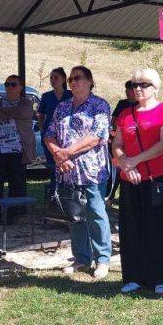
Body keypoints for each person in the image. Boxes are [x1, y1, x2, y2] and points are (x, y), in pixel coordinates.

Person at [112, 68, 163, 297]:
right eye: (134, 85)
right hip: (129, 179)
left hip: (154, 179)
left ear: (155, 88)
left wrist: (134, 161)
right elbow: (116, 144)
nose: (138, 89)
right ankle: (133, 276)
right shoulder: (125, 114)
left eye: (144, 84)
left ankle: (161, 277)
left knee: (157, 228)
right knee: (130, 229)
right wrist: (125, 165)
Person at [46, 66, 114, 279]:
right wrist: (59, 155)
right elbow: (49, 134)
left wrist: (66, 152)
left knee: (95, 213)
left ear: (90, 81)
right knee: (75, 216)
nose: (73, 82)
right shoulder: (62, 107)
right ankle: (82, 259)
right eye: (71, 80)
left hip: (92, 171)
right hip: (67, 172)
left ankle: (102, 259)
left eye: (77, 78)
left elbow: (96, 136)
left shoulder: (99, 105)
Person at [0, 74, 36, 225]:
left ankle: (13, 215)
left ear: (20, 87)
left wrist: (1, 112)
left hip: (17, 150)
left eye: (13, 84)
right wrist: (10, 111)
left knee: (16, 184)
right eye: (7, 84)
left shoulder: (26, 102)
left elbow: (23, 113)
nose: (10, 87)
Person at [37, 67, 70, 196]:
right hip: (50, 138)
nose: (53, 80)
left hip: (67, 137)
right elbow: (40, 115)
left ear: (63, 79)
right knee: (53, 166)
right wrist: (42, 130)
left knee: (66, 165)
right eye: (51, 78)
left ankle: (67, 194)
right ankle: (54, 194)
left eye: (56, 77)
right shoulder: (46, 96)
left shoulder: (70, 95)